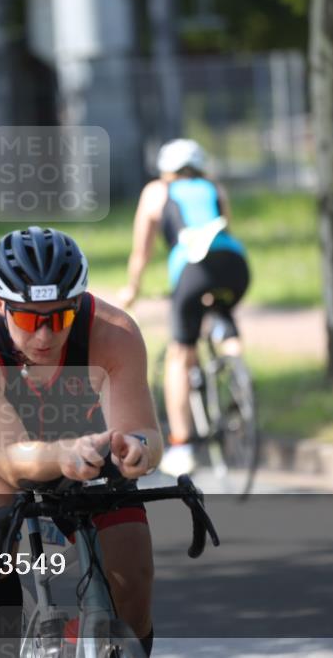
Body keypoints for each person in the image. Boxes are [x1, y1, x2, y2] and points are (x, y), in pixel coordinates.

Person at [0, 226, 162, 657]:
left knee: (133, 574)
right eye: (27, 319)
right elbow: (11, 461)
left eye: (59, 318)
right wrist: (62, 455)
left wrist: (138, 451)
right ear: (1, 306)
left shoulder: (114, 331)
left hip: (82, 424)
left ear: (77, 305)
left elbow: (144, 433)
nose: (44, 336)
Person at [118, 139, 250, 477]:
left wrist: (132, 288)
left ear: (166, 169)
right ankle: (235, 362)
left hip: (193, 270)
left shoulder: (156, 191)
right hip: (235, 263)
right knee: (219, 307)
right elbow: (225, 227)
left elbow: (141, 251)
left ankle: (182, 443)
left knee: (180, 353)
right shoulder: (213, 186)